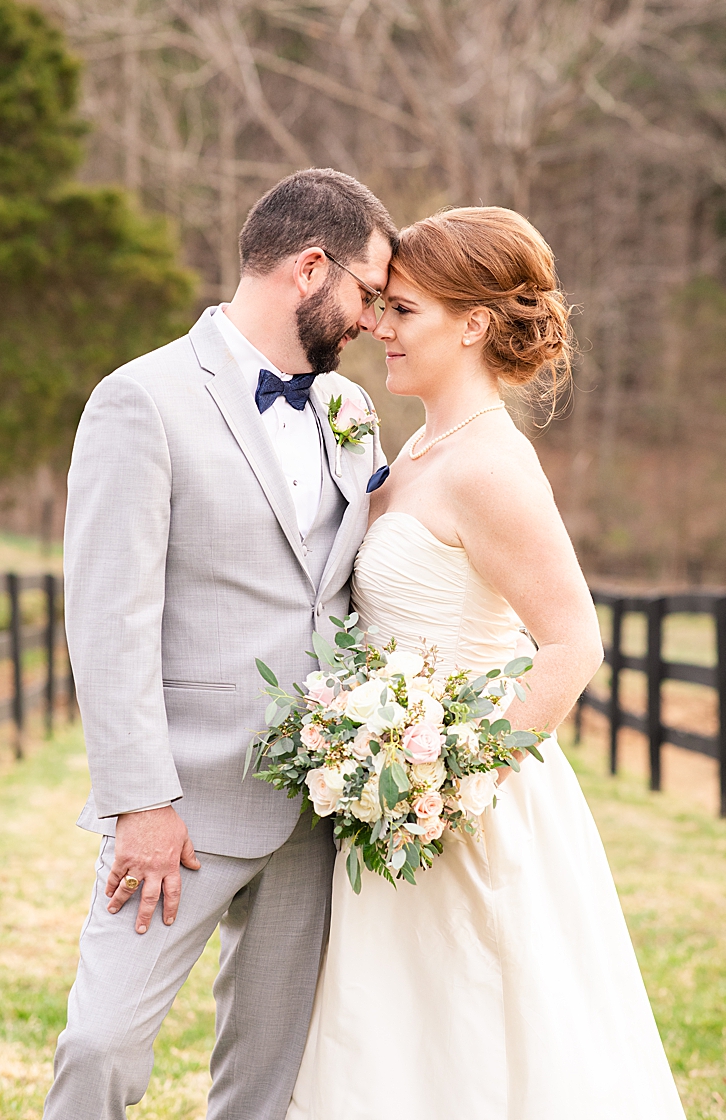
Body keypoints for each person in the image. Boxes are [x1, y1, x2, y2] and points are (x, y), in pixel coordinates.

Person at [284, 207, 683, 1117]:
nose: (377, 327)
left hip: (462, 804)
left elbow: (574, 644)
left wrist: (447, 779)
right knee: (387, 1043)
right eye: (381, 307)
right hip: (385, 791)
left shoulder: (493, 467)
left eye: (404, 311)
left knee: (470, 1037)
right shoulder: (414, 449)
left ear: (471, 324)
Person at [49, 168, 395, 1119]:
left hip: (317, 808)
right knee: (101, 1046)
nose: (371, 319)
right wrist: (142, 802)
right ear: (311, 270)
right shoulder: (141, 399)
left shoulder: (350, 413)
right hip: (183, 808)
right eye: (368, 290)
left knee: (268, 1084)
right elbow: (109, 619)